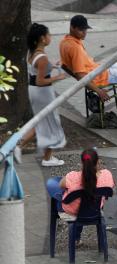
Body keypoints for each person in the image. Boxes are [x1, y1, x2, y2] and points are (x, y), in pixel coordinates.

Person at [17, 23, 67, 166]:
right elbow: (40, 81)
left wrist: (52, 66)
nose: (50, 37)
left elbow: (37, 70)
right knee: (52, 123)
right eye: (48, 34)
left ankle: (17, 146)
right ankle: (47, 158)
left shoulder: (32, 53)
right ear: (42, 38)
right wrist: (58, 77)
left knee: (41, 123)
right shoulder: (42, 57)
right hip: (43, 93)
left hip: (34, 91)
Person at [46, 148, 114, 244]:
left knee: (52, 183)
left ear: (82, 163)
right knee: (81, 198)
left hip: (72, 209)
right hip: (94, 209)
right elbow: (110, 187)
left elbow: (61, 185)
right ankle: (76, 238)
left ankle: (75, 238)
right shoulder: (107, 175)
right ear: (98, 162)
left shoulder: (73, 176)